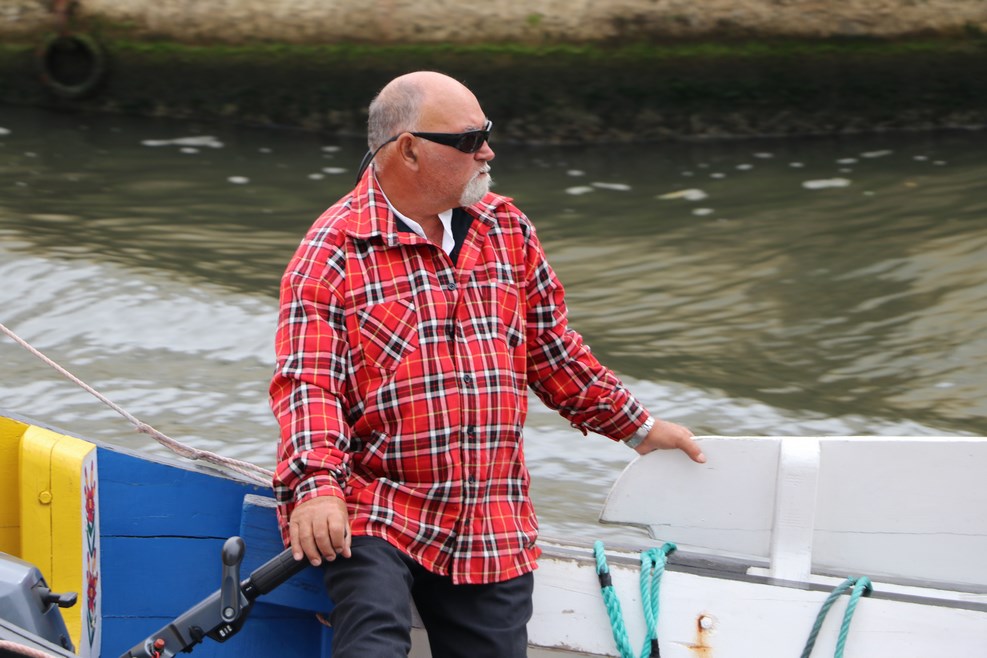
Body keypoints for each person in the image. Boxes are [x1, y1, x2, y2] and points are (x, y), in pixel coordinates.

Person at [269, 70, 706, 657]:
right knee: (372, 642)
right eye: (469, 140)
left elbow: (552, 350)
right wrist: (318, 489)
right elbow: (308, 386)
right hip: (377, 508)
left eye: (486, 134)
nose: (488, 152)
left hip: (489, 519)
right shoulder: (331, 252)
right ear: (409, 150)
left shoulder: (508, 230)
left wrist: (639, 427)